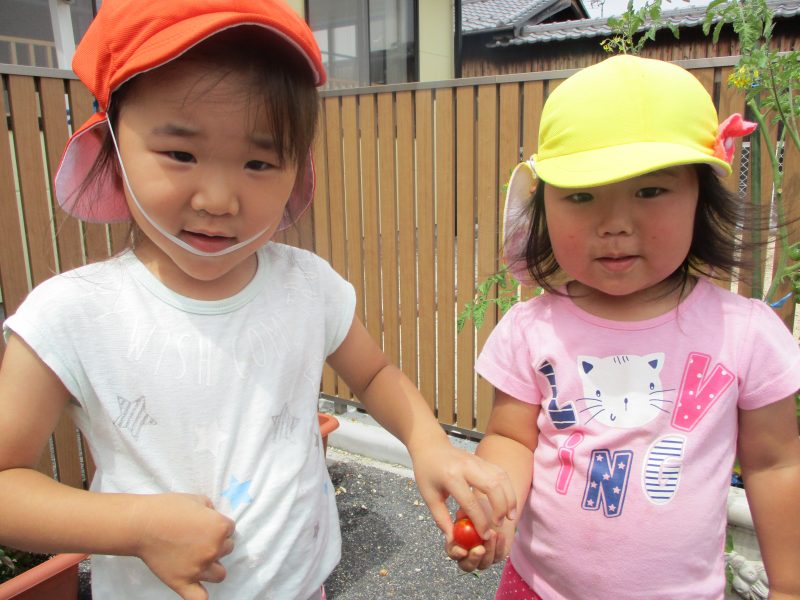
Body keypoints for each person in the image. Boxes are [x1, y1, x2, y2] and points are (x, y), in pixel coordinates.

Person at [0, 2, 515, 599]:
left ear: (298, 170)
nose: (219, 198)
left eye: (259, 162)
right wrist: (135, 526)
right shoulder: (72, 315)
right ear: (112, 150)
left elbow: (374, 374)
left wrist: (428, 442)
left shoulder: (307, 286)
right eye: (181, 154)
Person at [446, 55, 800, 599]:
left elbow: (775, 464)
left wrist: (790, 585)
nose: (613, 223)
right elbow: (509, 438)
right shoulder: (531, 329)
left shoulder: (744, 334)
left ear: (701, 198)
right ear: (543, 207)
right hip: (538, 587)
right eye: (581, 196)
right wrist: (495, 509)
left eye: (650, 191)